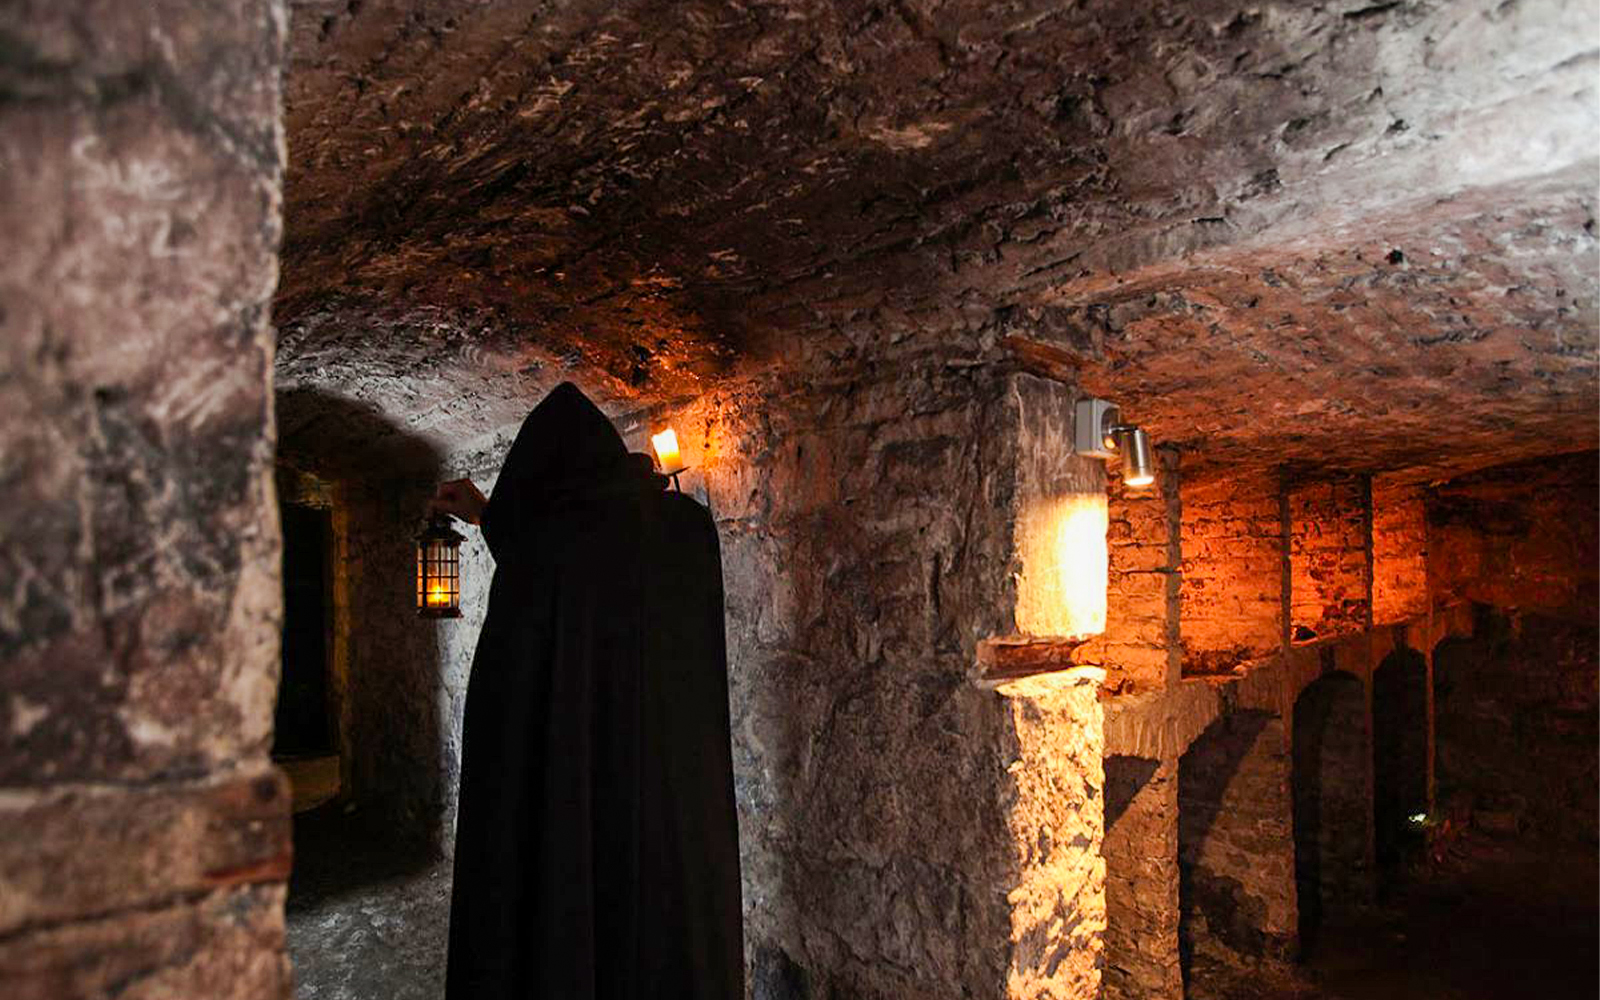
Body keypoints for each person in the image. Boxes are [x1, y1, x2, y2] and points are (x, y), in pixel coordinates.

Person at [433, 382, 744, 1000]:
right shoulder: (685, 532)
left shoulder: (548, 556)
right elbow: (560, 537)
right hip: (670, 788)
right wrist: (494, 515)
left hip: (581, 789)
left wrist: (490, 515)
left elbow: (542, 548)